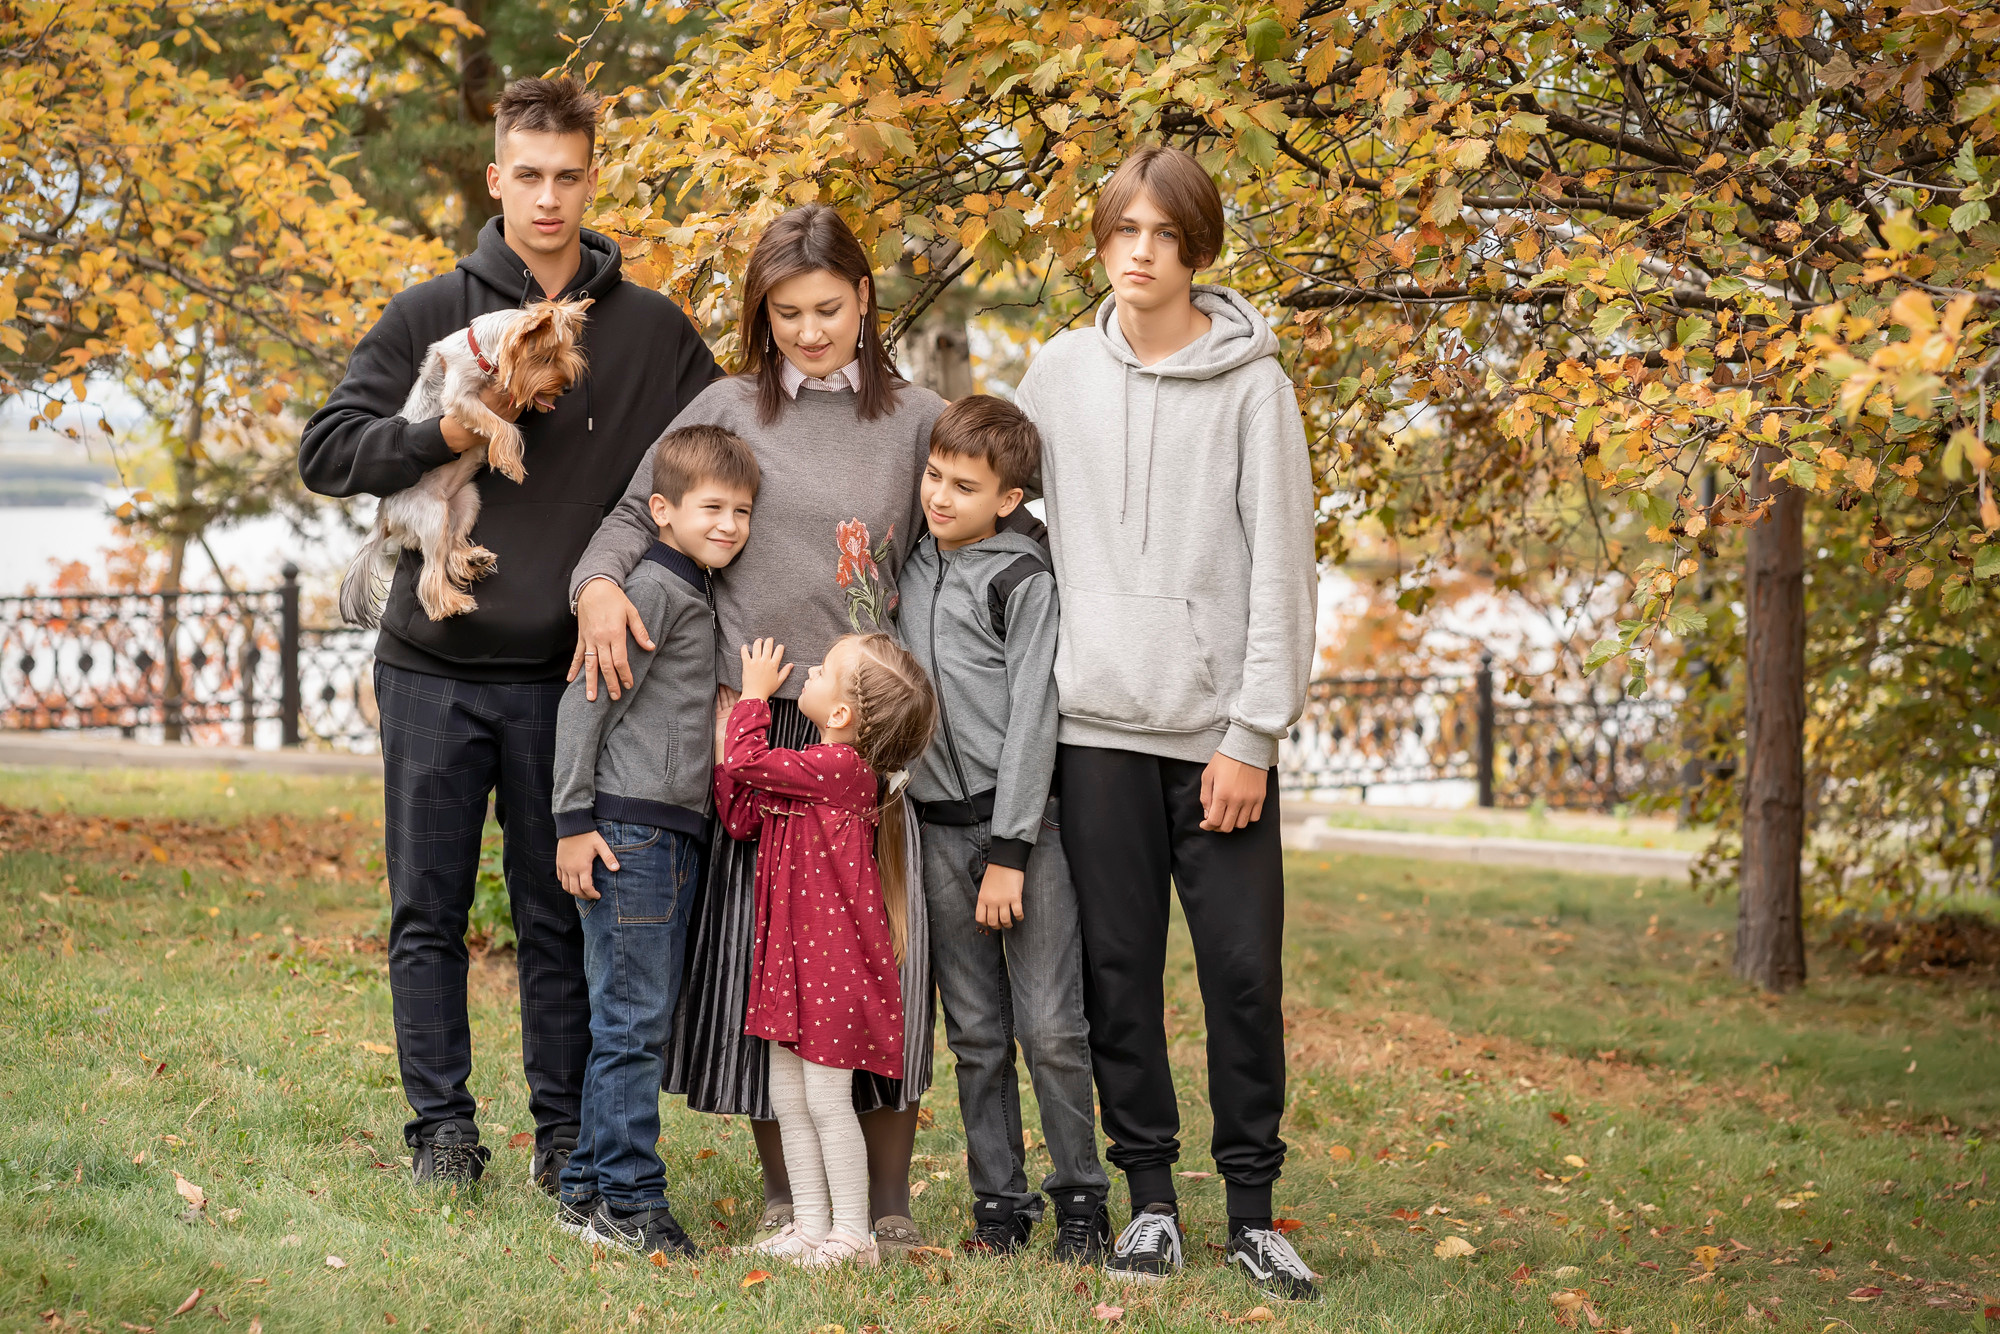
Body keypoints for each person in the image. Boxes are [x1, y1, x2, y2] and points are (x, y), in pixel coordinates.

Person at [298, 75, 719, 1191]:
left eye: (566, 176)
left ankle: (566, 1136)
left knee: (556, 917)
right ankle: (442, 1131)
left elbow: (721, 464)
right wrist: (444, 425)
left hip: (571, 678)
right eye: (526, 175)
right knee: (425, 913)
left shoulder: (651, 329)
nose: (546, 197)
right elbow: (329, 450)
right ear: (496, 179)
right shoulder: (430, 311)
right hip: (431, 670)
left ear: (591, 178)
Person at [566, 203, 945, 1254]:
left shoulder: (915, 417)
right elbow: (642, 509)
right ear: (760, 314)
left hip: (867, 716)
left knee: (880, 961)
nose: (810, 330)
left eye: (828, 308)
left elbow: (962, 535)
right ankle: (789, 1198)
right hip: (758, 714)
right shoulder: (730, 404)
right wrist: (598, 587)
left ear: (865, 300)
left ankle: (886, 1201)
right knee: (767, 956)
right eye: (787, 313)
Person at [1012, 145, 1321, 1299]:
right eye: (1120, 231)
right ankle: (1150, 1201)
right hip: (1092, 728)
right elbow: (998, 508)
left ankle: (1251, 1208)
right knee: (1115, 972)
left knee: (1241, 972)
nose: (1137, 253)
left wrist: (1251, 731)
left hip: (1213, 740)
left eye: (1161, 235)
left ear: (1196, 248)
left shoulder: (1254, 387)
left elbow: (1283, 570)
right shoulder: (1054, 372)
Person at [897, 396, 1110, 1260]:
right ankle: (1000, 1207)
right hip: (936, 834)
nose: (941, 497)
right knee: (976, 1035)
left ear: (1009, 499)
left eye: (965, 486)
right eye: (934, 476)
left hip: (1022, 836)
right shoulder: (906, 568)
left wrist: (1012, 852)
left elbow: (1034, 718)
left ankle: (1083, 1206)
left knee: (1052, 1030)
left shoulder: (1022, 580)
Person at [547, 425, 760, 1260]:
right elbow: (582, 704)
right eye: (712, 507)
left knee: (629, 1022)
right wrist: (572, 822)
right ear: (662, 510)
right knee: (632, 1026)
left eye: (742, 510)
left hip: (662, 830)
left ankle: (587, 1191)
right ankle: (632, 1202)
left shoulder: (691, 589)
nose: (730, 524)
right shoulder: (654, 592)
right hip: (629, 831)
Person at [712, 634, 937, 1267]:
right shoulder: (814, 772)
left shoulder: (839, 770)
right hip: (790, 963)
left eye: (824, 668)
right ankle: (810, 1229)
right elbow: (741, 815)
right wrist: (730, 752)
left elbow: (750, 763)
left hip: (830, 970)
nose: (808, 670)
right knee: (789, 1097)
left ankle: (853, 1235)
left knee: (826, 1101)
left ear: (841, 715)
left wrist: (751, 700)